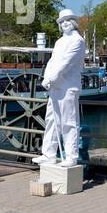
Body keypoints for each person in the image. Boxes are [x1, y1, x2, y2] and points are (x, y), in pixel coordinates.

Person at [33, 9, 86, 168]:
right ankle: (48, 154)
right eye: (61, 22)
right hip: (55, 87)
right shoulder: (59, 41)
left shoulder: (78, 41)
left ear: (74, 22)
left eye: (67, 20)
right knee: (51, 120)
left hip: (68, 87)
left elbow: (66, 63)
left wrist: (50, 78)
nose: (64, 24)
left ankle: (71, 156)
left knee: (69, 123)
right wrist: (46, 77)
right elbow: (52, 62)